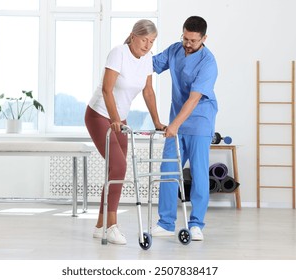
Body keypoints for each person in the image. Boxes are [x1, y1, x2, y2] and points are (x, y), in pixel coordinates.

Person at [85, 19, 165, 245]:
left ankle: (100, 226)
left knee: (116, 169)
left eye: (152, 41)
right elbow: (107, 90)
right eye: (144, 39)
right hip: (99, 114)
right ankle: (111, 226)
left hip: (120, 119)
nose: (148, 45)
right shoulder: (118, 53)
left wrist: (158, 122)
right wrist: (115, 119)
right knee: (118, 166)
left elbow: (148, 92)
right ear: (132, 36)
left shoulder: (147, 59)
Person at [152, 16, 218, 241]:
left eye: (193, 40)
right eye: (185, 38)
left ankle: (197, 224)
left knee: (199, 174)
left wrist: (174, 126)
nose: (187, 44)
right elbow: (147, 63)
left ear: (204, 38)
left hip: (199, 121)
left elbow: (193, 99)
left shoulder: (208, 63)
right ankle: (166, 223)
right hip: (175, 123)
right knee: (168, 171)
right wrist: (128, 49)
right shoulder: (174, 50)